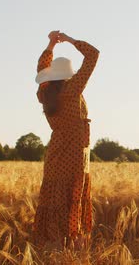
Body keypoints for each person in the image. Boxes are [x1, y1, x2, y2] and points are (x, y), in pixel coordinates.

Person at [32, 30, 99, 248]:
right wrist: (69, 40)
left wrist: (51, 45)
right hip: (75, 154)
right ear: (68, 75)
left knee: (55, 199)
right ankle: (73, 251)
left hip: (55, 153)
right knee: (74, 200)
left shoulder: (45, 93)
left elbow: (41, 68)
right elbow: (93, 55)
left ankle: (53, 248)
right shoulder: (72, 88)